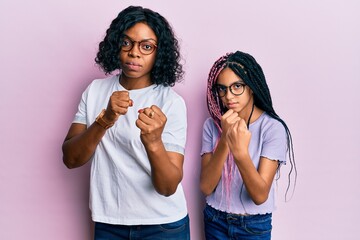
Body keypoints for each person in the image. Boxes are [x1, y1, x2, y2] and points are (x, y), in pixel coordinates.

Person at [62, 6, 190, 239]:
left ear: (158, 54)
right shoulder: (95, 91)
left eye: (146, 46)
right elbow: (70, 159)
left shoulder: (171, 102)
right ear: (116, 44)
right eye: (127, 43)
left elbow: (168, 187)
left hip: (163, 225)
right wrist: (105, 120)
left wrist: (153, 142)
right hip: (109, 223)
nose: (134, 53)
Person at [200, 51, 296, 239]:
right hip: (215, 220)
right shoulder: (211, 125)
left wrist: (240, 152)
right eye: (222, 89)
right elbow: (205, 186)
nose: (228, 96)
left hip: (253, 225)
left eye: (237, 86)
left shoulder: (272, 128)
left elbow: (259, 195)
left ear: (251, 86)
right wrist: (225, 139)